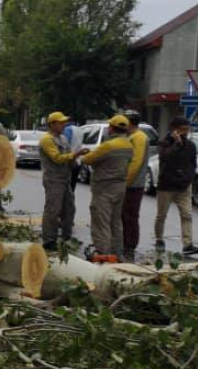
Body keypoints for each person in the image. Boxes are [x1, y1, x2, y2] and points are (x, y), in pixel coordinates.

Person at [80, 114, 133, 261]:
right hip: (120, 186)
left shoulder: (109, 145)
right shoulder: (129, 145)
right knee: (115, 221)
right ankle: (117, 252)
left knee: (101, 221)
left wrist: (86, 155)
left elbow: (88, 159)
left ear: (111, 128)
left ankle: (103, 253)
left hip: (104, 187)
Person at [154, 116, 198, 254]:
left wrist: (188, 178)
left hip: (184, 186)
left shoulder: (191, 145)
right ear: (174, 130)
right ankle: (159, 239)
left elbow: (193, 164)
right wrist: (176, 144)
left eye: (187, 129)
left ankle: (187, 244)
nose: (185, 132)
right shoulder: (164, 143)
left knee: (187, 215)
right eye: (182, 130)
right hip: (166, 185)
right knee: (162, 215)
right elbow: (165, 157)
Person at [38, 112, 79, 251]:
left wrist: (75, 161)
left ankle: (67, 238)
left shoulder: (63, 138)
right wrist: (75, 155)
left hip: (65, 178)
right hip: (53, 179)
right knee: (53, 210)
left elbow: (68, 156)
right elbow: (57, 158)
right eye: (61, 122)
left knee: (69, 209)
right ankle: (49, 240)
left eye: (64, 122)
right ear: (52, 124)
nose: (64, 125)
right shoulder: (47, 140)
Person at [120, 112, 149, 261]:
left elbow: (135, 162)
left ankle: (129, 245)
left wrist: (127, 181)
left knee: (130, 215)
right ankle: (125, 243)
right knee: (125, 215)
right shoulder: (132, 136)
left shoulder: (139, 137)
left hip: (133, 184)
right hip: (130, 183)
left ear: (129, 123)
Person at [63, 120, 83, 191]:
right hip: (78, 161)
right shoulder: (80, 130)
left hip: (70, 160)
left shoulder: (67, 129)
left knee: (66, 186)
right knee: (73, 185)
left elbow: (65, 143)